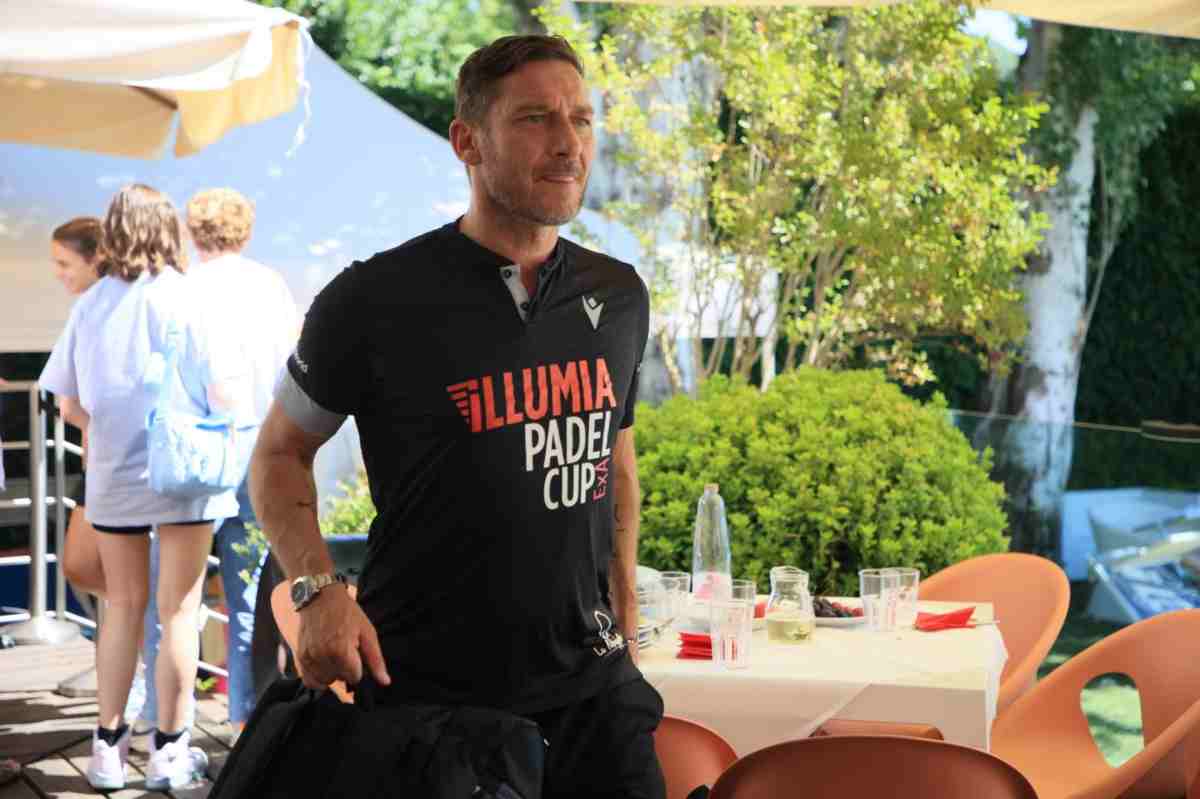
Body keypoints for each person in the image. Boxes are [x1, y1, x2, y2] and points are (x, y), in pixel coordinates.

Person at [250, 35, 663, 797]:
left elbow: (616, 462)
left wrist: (627, 622)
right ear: (468, 142)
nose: (568, 142)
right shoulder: (373, 300)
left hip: (593, 689)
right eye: (536, 118)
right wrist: (317, 588)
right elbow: (278, 454)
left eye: (581, 118)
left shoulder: (619, 294)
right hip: (431, 698)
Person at [39, 184, 246, 792]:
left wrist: (107, 429)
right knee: (179, 610)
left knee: (122, 609)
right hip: (184, 475)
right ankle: (170, 753)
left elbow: (68, 403)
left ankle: (106, 753)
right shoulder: (193, 298)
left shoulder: (91, 305)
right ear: (168, 230)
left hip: (113, 478)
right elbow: (225, 394)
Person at [157, 186, 295, 736]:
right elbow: (293, 368)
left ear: (193, 232)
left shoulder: (182, 289)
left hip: (194, 457)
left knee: (174, 604)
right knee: (250, 600)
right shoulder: (270, 286)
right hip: (261, 448)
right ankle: (245, 725)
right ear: (246, 229)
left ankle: (166, 729)